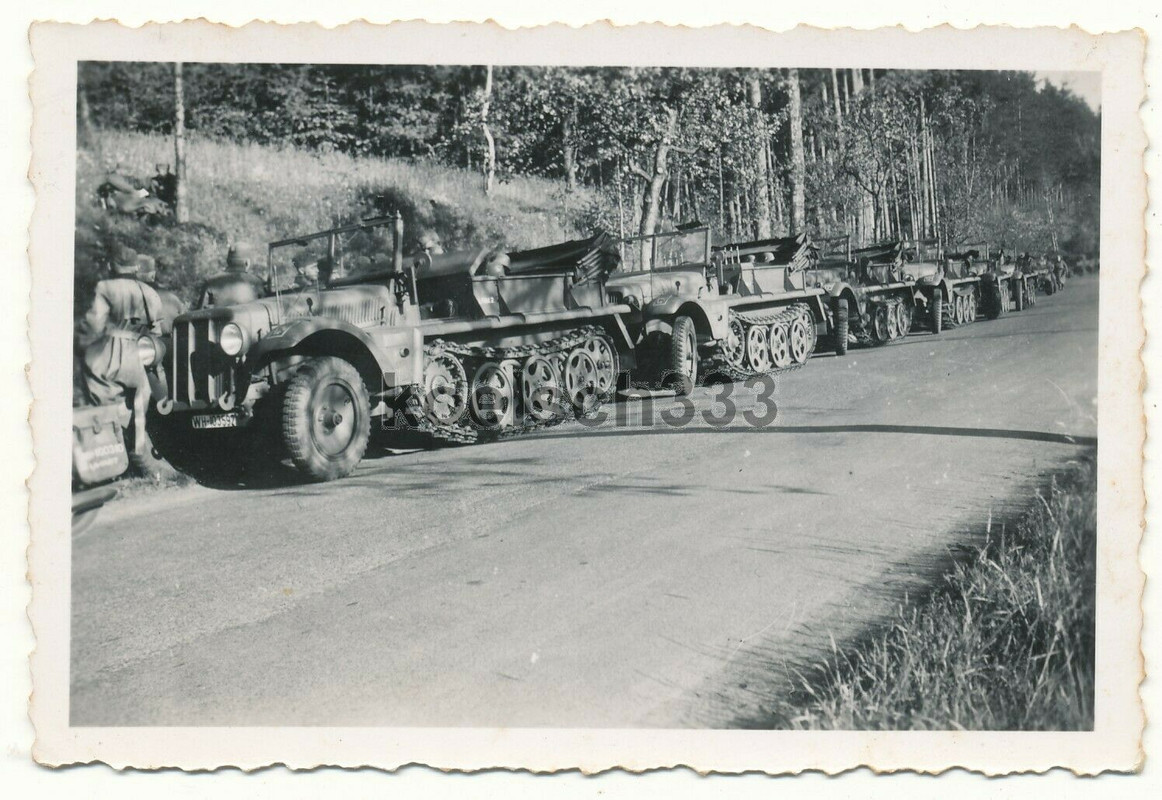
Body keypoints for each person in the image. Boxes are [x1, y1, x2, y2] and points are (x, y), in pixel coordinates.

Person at [78, 244, 167, 475]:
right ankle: (139, 453)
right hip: (136, 354)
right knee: (138, 406)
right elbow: (156, 332)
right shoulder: (149, 292)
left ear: (111, 265)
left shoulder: (105, 287)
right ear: (136, 267)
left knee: (105, 407)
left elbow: (95, 324)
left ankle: (109, 464)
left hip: (105, 353)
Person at [198, 245, 266, 308]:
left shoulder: (210, 281)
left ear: (228, 261)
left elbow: (200, 313)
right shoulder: (257, 282)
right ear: (247, 262)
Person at [137, 254, 187, 336]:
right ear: (152, 274)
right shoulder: (173, 299)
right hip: (171, 343)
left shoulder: (136, 296)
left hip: (145, 343)